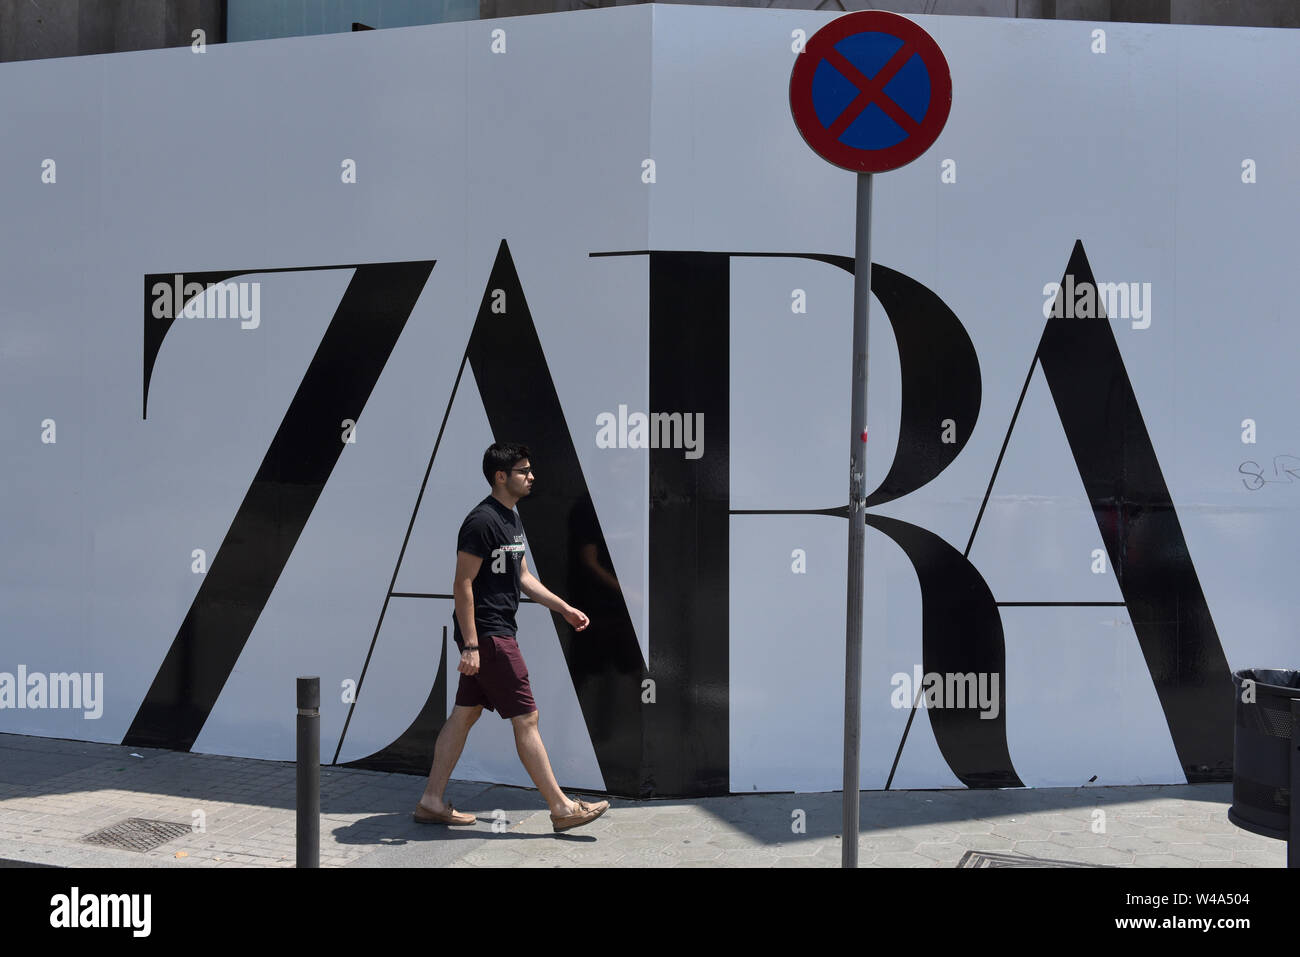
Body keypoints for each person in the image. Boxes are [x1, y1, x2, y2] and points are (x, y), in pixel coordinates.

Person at [415, 442, 609, 833]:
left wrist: (563, 609)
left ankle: (431, 801)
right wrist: (471, 644)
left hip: (494, 632)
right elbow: (463, 584)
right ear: (501, 476)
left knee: (464, 715)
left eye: (530, 469)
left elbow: (522, 578)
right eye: (523, 470)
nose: (531, 476)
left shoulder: (511, 520)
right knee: (527, 718)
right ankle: (561, 807)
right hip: (489, 635)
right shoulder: (481, 521)